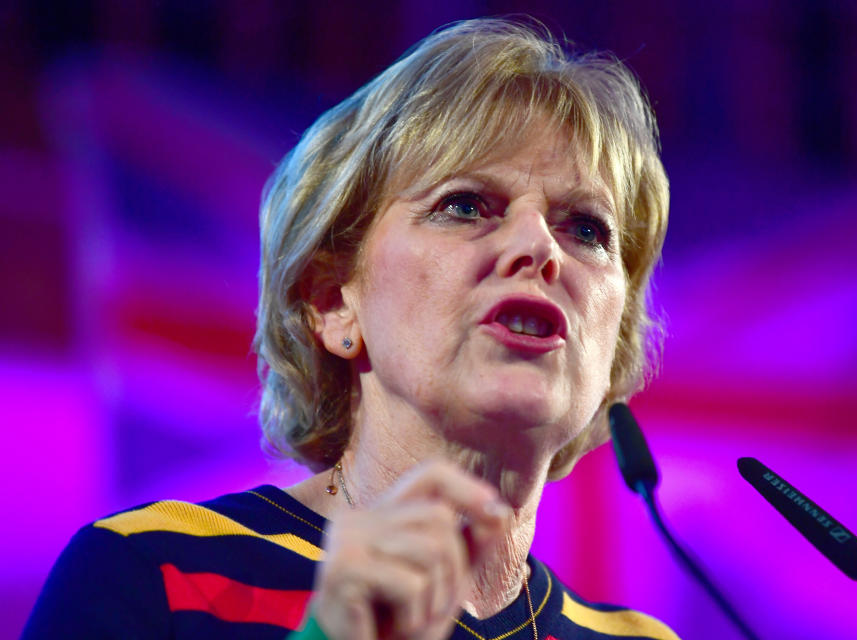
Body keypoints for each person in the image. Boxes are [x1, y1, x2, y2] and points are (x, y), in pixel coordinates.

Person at [22, 17, 673, 640]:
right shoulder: (155, 574)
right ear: (333, 303)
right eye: (466, 205)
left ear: (614, 346)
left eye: (587, 229)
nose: (539, 247)